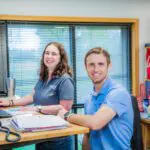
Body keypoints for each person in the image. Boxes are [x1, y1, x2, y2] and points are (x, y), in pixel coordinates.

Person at [0, 42, 74, 150]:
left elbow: (64, 109)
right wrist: (10, 102)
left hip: (58, 138)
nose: (49, 56)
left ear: (61, 58)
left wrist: (36, 108)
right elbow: (32, 96)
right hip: (43, 133)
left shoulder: (65, 80)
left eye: (54, 54)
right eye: (47, 53)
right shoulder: (44, 77)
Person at [58, 47, 133, 150]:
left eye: (101, 64)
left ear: (109, 66)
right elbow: (87, 135)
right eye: (91, 65)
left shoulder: (118, 93)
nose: (96, 69)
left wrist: (66, 115)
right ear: (86, 67)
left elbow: (95, 122)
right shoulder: (89, 100)